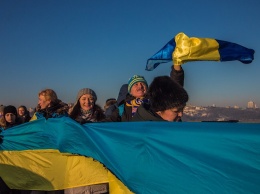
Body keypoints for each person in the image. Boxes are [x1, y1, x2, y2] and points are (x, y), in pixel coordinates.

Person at [106, 64, 185, 122]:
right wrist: (94, 127)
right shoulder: (122, 108)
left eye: (143, 84)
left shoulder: (155, 102)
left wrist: (177, 68)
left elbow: (173, 89)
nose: (140, 86)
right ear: (130, 91)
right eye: (136, 84)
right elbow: (107, 123)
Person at [65, 88, 108, 193]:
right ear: (78, 100)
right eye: (84, 98)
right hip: (77, 170)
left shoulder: (103, 120)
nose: (87, 102)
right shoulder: (70, 120)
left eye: (90, 98)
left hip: (97, 168)